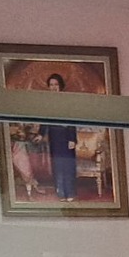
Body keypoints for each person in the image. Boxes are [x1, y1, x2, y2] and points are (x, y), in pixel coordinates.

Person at [42, 73, 78, 202]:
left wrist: (72, 139)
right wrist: (41, 134)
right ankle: (61, 193)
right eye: (51, 85)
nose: (53, 87)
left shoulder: (67, 101)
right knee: (57, 165)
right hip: (54, 138)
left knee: (67, 165)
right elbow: (44, 120)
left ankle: (70, 192)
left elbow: (72, 121)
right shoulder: (46, 103)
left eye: (56, 84)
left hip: (67, 137)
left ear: (60, 86)